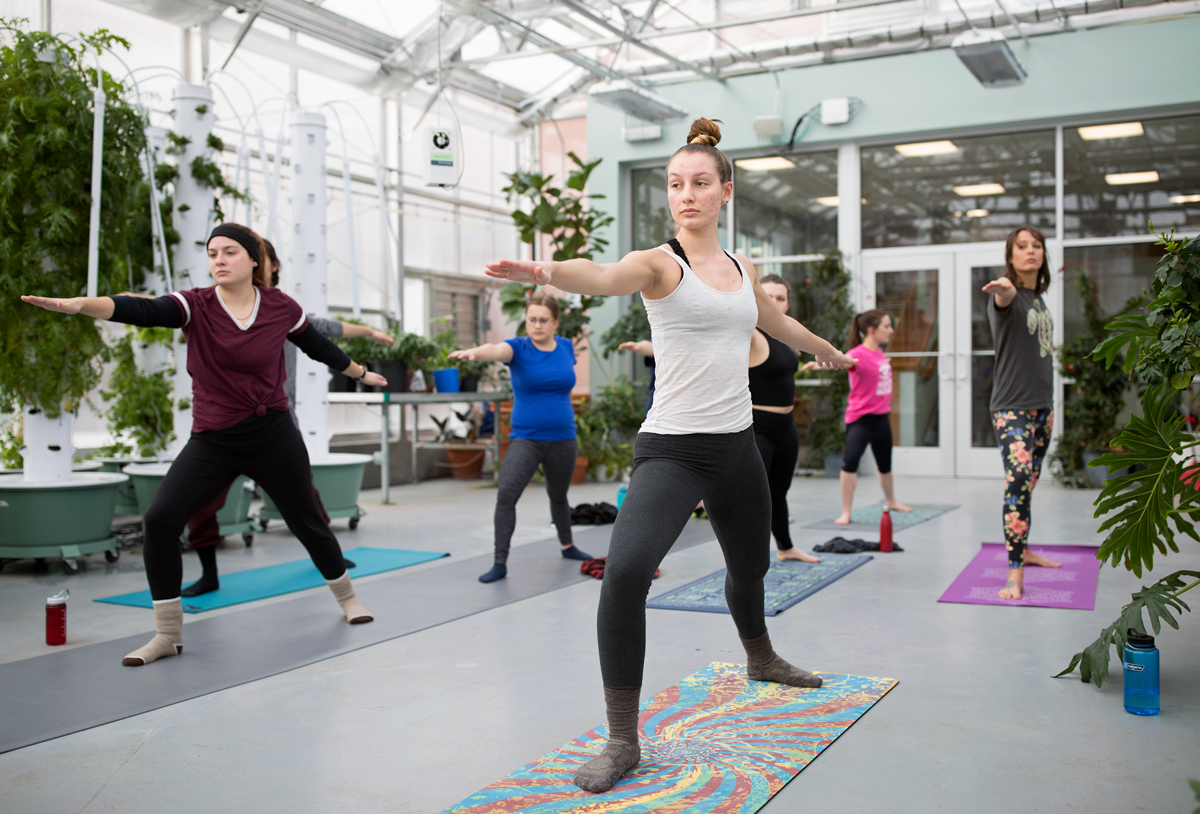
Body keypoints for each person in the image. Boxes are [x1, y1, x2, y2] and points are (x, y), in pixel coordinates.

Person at [484, 117, 856, 794]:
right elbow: (600, 276)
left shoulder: (743, 269)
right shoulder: (662, 263)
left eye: (700, 183)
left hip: (737, 446)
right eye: (676, 184)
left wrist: (826, 349)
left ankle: (761, 657)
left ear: (725, 192)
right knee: (626, 572)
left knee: (750, 567)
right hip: (673, 451)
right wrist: (545, 271)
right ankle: (622, 737)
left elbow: (779, 326)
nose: (687, 194)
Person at [22, 223, 387, 666]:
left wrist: (360, 373)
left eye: (229, 251)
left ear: (254, 260)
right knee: (159, 520)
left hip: (272, 433)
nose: (218, 259)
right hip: (214, 438)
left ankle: (348, 600)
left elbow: (317, 345)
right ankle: (167, 635)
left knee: (306, 519)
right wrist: (84, 305)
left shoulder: (279, 306)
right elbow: (143, 309)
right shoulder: (193, 305)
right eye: (212, 252)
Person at [179, 238, 395, 598]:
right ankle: (208, 573)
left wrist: (370, 332)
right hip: (223, 427)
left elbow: (327, 332)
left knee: (303, 498)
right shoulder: (217, 307)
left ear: (271, 266)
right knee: (202, 503)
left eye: (252, 258)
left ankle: (330, 558)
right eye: (217, 255)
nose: (225, 261)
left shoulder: (283, 311)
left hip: (275, 423)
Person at [619, 275, 821, 560]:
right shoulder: (748, 332)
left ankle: (785, 548)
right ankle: (748, 560)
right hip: (758, 428)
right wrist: (645, 347)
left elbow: (779, 376)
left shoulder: (786, 340)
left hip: (785, 430)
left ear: (788, 303)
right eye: (769, 296)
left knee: (779, 491)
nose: (774, 302)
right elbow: (698, 339)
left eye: (781, 298)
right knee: (751, 500)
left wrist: (811, 361)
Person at [447, 291, 592, 583]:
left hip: (564, 437)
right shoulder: (518, 348)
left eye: (543, 320)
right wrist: (476, 353)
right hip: (526, 439)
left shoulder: (565, 347)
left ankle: (567, 545)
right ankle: (500, 562)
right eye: (531, 319)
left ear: (555, 322)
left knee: (559, 496)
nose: (536, 325)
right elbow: (496, 349)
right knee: (507, 496)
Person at [983, 225, 1062, 599]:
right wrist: (1004, 290)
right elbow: (1005, 297)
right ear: (1011, 255)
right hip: (1011, 408)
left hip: (1042, 408)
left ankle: (1024, 548)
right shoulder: (1011, 296)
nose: (1031, 251)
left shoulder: (1038, 297)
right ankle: (1014, 571)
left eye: (1037, 246)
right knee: (1017, 481)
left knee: (1028, 484)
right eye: (1022, 246)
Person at [805, 309, 911, 525]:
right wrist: (819, 364)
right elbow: (842, 361)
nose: (891, 330)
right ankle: (846, 511)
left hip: (882, 418)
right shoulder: (859, 354)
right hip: (861, 420)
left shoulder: (880, 353)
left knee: (885, 464)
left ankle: (891, 500)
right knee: (850, 462)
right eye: (887, 326)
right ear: (872, 330)